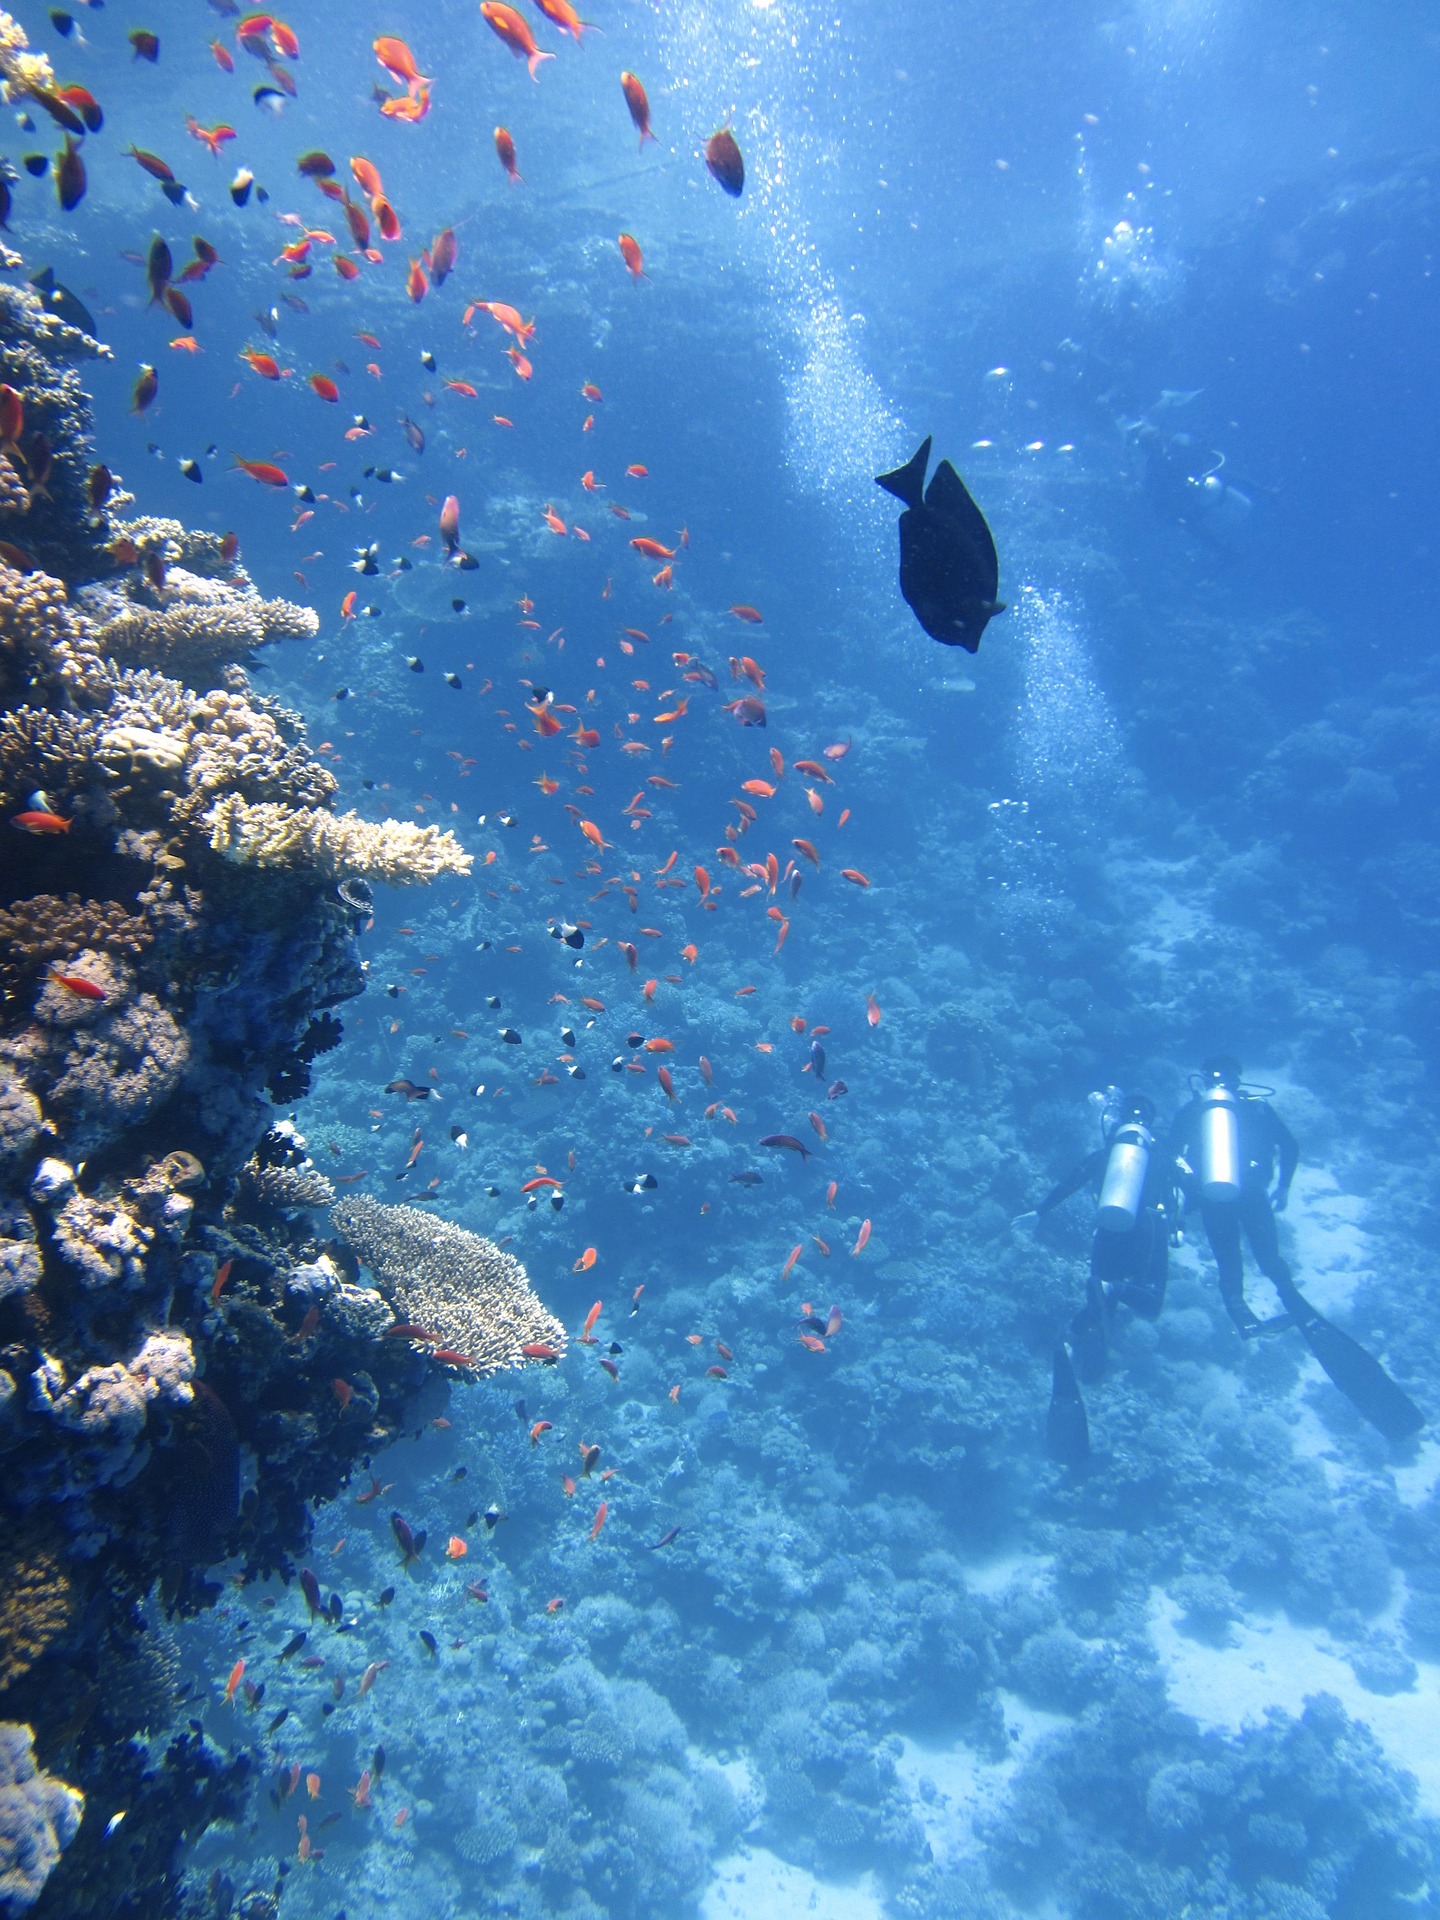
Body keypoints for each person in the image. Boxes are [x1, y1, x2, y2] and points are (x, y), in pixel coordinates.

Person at [1015, 1092, 1182, 1386]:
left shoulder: (1108, 1154)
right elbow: (1180, 1191)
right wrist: (1178, 1226)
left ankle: (1074, 1339)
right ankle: (1106, 1296)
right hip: (1148, 1229)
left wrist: (1040, 1211)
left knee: (1101, 1303)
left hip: (1107, 1230)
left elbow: (1073, 1179)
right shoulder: (1161, 1155)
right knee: (1150, 1303)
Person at [1169, 1054, 1298, 1338]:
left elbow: (1172, 1157)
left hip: (1212, 1197)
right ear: (1237, 1080)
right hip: (1252, 1192)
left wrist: (1187, 1197)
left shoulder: (1191, 1111)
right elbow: (1290, 1146)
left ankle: (1242, 1317)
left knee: (1229, 1262)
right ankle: (1296, 1304)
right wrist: (1283, 1187)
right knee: (1268, 1257)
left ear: (1203, 1080)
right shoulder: (1257, 1108)